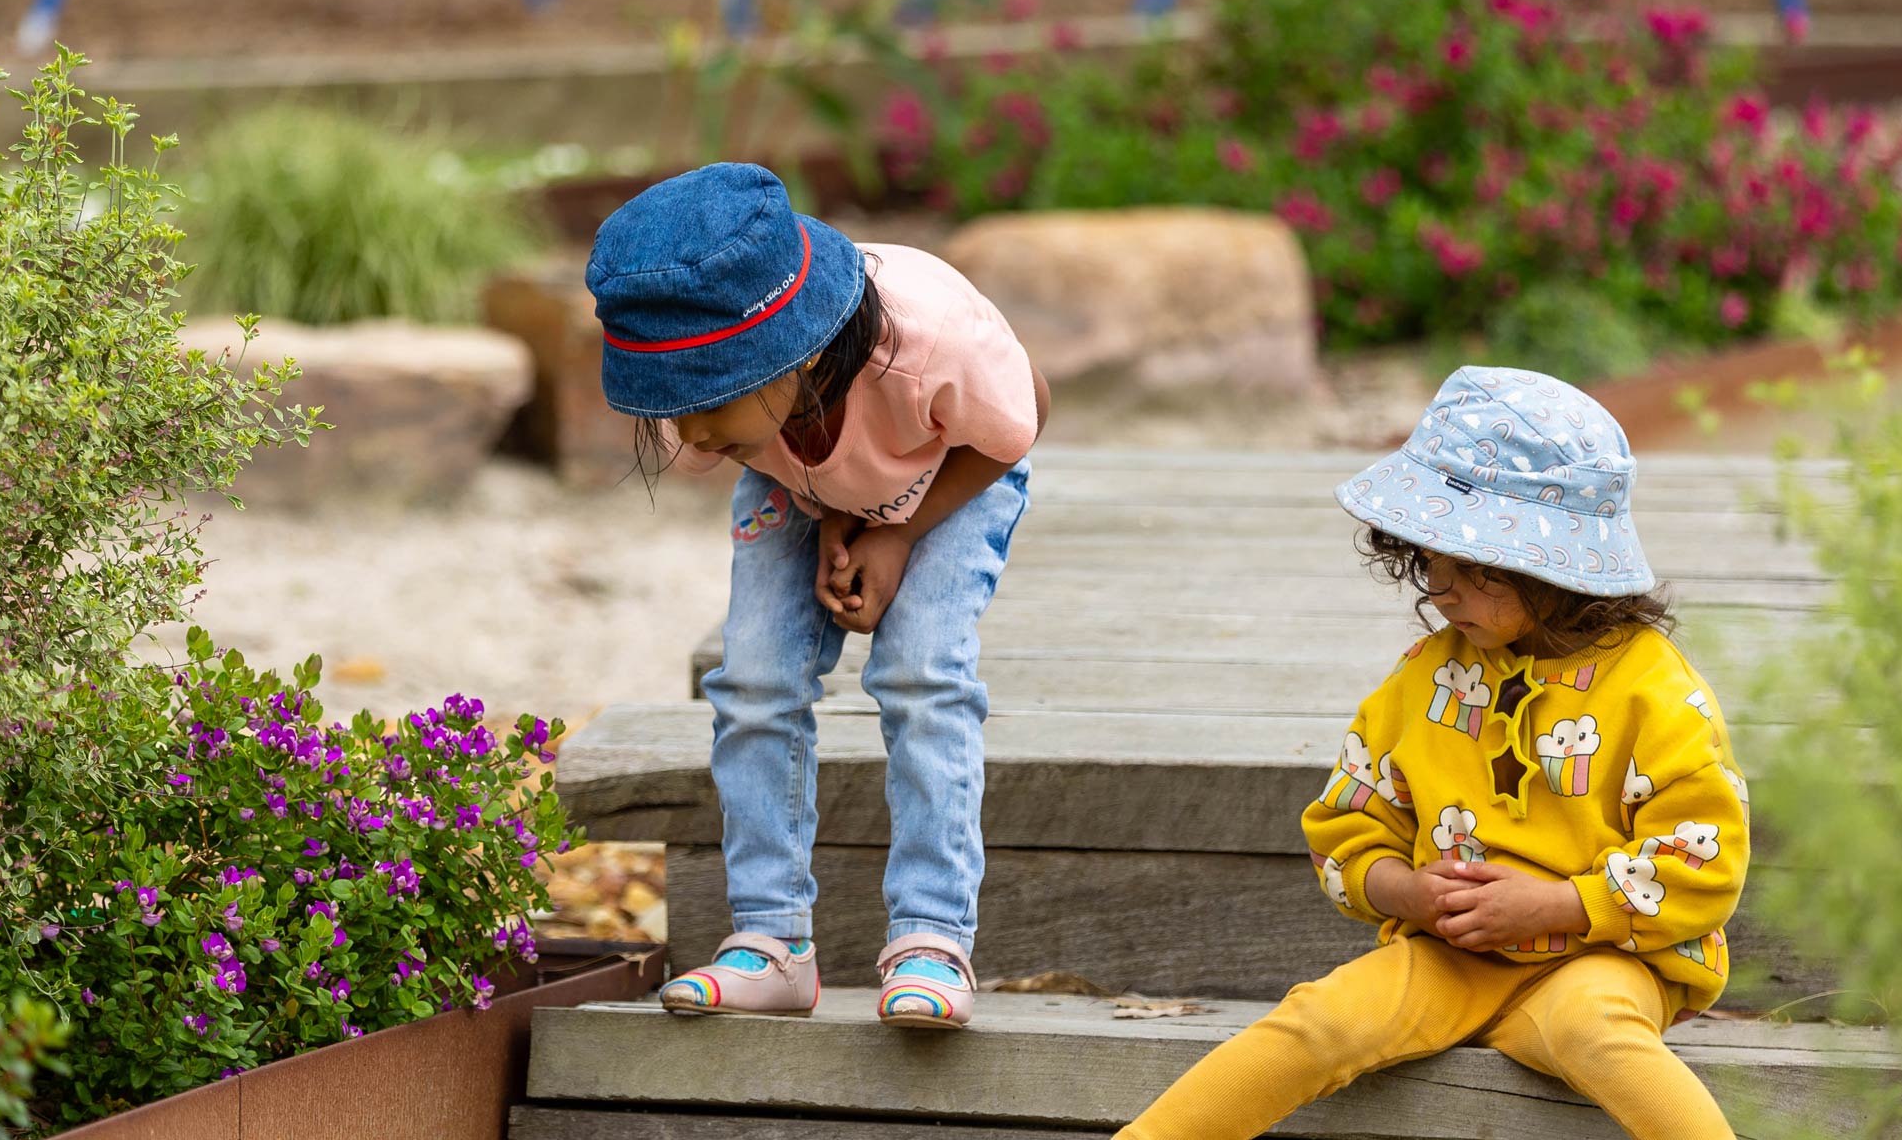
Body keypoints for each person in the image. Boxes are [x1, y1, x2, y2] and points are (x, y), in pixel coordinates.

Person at [1118, 367, 1749, 1139]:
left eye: (1466, 564)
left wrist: (1558, 903)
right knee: (1317, 1021)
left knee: (1596, 1033)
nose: (1439, 589)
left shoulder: (1653, 692)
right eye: (1428, 561)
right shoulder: (1428, 673)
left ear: (1547, 568)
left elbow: (1703, 861)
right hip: (1449, 960)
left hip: (1600, 959)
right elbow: (1348, 826)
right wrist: (1407, 893)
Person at [589, 163, 1049, 1029]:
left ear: (795, 352)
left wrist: (897, 529)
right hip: (804, 480)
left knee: (922, 675)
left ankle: (932, 937)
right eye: (674, 408)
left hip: (951, 470)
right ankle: (771, 941)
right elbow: (760, 443)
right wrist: (830, 504)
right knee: (753, 681)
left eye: (706, 402)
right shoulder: (715, 408)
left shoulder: (929, 340)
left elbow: (1022, 415)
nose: (687, 435)